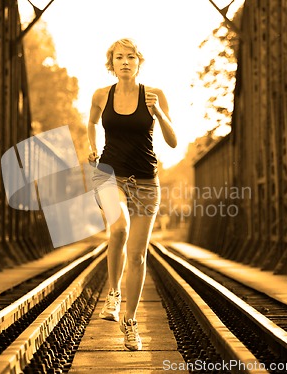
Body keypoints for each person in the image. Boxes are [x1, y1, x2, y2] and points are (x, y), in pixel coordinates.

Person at [87, 38, 177, 351]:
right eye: (119, 57)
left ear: (139, 61)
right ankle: (113, 293)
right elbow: (91, 121)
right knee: (120, 228)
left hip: (147, 183)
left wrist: (159, 114)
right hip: (110, 175)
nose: (125, 62)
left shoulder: (154, 95)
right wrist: (91, 146)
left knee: (138, 255)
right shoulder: (101, 95)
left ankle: (130, 321)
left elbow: (174, 141)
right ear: (110, 64)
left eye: (131, 57)